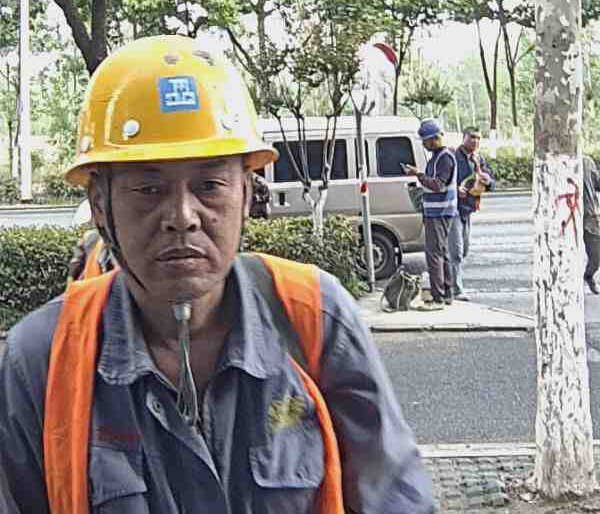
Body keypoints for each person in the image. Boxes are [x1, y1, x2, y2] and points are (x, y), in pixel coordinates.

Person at [0, 35, 434, 513]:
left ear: (246, 194)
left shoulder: (313, 316)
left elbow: (396, 497)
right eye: (148, 188)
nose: (182, 216)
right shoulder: (42, 359)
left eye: (209, 185)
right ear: (100, 205)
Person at [405, 118, 457, 310]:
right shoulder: (437, 157)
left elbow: (437, 185)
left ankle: (438, 298)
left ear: (434, 138)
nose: (424, 145)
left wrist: (418, 175)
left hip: (440, 212)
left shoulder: (445, 158)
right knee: (441, 253)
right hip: (436, 211)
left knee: (434, 254)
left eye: (425, 141)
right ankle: (447, 293)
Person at [447, 126, 495, 301]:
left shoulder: (479, 159)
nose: (475, 141)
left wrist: (487, 181)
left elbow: (491, 182)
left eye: (478, 138)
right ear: (464, 138)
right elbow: (441, 180)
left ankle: (447, 281)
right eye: (472, 137)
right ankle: (455, 289)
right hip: (452, 209)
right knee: (456, 251)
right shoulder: (452, 156)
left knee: (464, 249)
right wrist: (455, 189)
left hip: (468, 209)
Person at [583, 155, 600, 294]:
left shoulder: (586, 162)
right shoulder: (554, 163)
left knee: (596, 256)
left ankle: (588, 275)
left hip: (589, 217)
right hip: (565, 219)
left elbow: (597, 184)